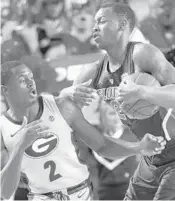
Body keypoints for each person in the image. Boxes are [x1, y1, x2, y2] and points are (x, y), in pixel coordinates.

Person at [0, 61, 165, 200]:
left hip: (80, 194)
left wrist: (139, 148)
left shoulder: (62, 107)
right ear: (5, 90)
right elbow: (4, 192)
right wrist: (20, 147)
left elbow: (102, 145)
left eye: (30, 77)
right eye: (22, 80)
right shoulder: (3, 129)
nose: (30, 82)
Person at [60, 2, 175, 200]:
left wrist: (142, 92)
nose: (94, 27)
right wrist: (66, 93)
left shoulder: (143, 54)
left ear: (122, 25)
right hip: (151, 159)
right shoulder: (92, 73)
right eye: (94, 22)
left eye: (102, 21)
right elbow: (60, 116)